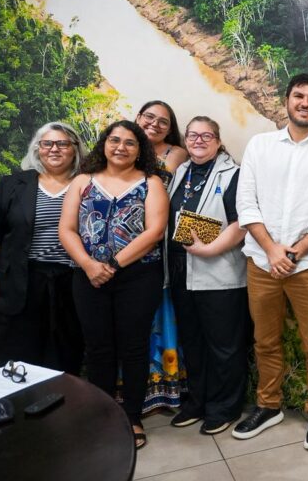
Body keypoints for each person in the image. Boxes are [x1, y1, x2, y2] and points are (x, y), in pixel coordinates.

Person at [232, 74, 308, 450]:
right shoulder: (260, 145)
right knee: (265, 340)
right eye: (299, 96)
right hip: (261, 261)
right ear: (287, 100)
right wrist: (271, 250)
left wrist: (294, 253)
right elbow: (246, 203)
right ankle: (269, 405)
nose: (305, 103)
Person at [59, 120, 167, 450]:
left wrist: (114, 265)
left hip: (138, 277)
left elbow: (154, 232)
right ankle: (102, 416)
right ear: (104, 144)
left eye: (130, 142)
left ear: (140, 149)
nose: (121, 147)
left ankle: (132, 417)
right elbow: (67, 229)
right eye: (114, 140)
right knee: (98, 348)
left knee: (134, 347)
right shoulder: (82, 181)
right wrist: (90, 265)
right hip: (88, 276)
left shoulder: (151, 183)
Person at [0, 122, 88, 374]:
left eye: (62, 144)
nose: (54, 149)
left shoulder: (88, 185)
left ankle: (61, 399)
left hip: (71, 281)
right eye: (47, 143)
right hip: (20, 281)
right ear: (38, 149)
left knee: (65, 354)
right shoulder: (12, 184)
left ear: (75, 149)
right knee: (17, 355)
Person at [165, 116, 252, 436]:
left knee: (224, 346)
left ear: (218, 141)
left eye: (206, 136)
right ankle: (197, 402)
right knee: (193, 341)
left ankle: (224, 407)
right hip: (181, 273)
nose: (198, 141)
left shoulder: (233, 174)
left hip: (220, 275)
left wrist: (210, 249)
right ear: (185, 140)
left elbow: (241, 222)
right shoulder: (181, 172)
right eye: (192, 135)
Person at [135, 100, 188, 414]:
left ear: (170, 129)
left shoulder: (174, 153)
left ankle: (165, 390)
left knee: (161, 313)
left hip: (161, 243)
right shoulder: (121, 146)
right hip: (123, 246)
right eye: (149, 117)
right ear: (138, 117)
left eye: (163, 122)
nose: (154, 124)